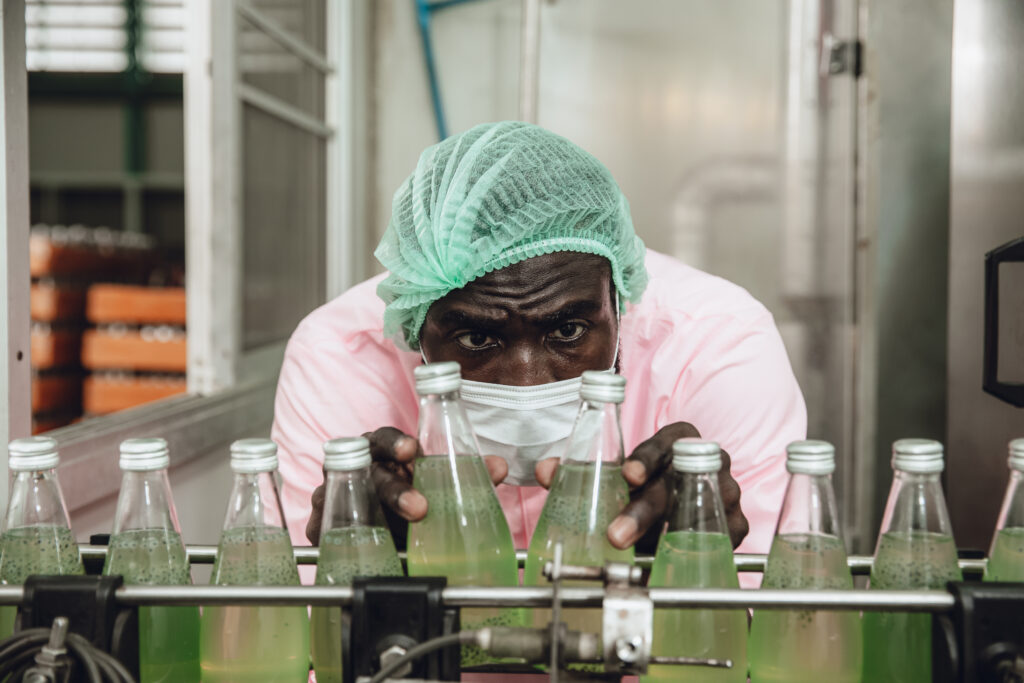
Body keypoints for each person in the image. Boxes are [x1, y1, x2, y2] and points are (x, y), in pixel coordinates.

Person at [272, 121, 806, 574]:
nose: (527, 386)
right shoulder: (339, 358)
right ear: (416, 329)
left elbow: (768, 640)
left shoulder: (719, 345)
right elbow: (297, 642)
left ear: (619, 303)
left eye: (568, 332)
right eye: (478, 338)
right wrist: (355, 576)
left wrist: (687, 573)